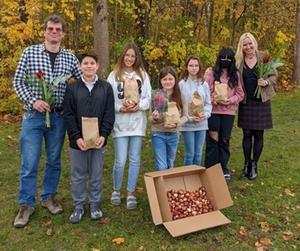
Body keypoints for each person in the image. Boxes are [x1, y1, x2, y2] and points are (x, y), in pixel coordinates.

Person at [13, 15, 82, 228]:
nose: (54, 32)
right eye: (50, 28)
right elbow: (18, 81)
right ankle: (26, 205)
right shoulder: (30, 53)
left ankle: (48, 197)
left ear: (62, 33)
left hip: (58, 117)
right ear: (44, 31)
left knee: (54, 160)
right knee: (30, 161)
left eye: (58, 29)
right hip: (33, 117)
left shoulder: (70, 58)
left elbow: (83, 81)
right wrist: (33, 101)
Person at [63, 52, 115, 223]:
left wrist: (104, 134)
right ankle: (78, 206)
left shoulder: (106, 88)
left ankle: (94, 204)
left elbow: (109, 114)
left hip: (99, 140)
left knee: (96, 173)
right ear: (79, 66)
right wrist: (76, 136)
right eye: (85, 63)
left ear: (97, 66)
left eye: (92, 63)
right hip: (77, 141)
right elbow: (69, 115)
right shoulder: (72, 89)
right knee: (77, 174)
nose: (89, 66)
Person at [107, 43, 151, 210]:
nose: (129, 58)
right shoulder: (114, 76)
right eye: (127, 55)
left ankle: (130, 192)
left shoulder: (143, 76)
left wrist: (138, 106)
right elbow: (108, 100)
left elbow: (148, 98)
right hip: (120, 123)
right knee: (120, 160)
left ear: (137, 57)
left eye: (133, 56)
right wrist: (121, 108)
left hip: (137, 123)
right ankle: (116, 190)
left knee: (134, 159)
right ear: (122, 56)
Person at [235, 33, 277, 180]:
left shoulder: (264, 57)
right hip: (246, 102)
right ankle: (246, 164)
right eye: (245, 45)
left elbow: (274, 76)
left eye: (250, 43)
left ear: (254, 43)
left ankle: (254, 165)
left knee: (259, 134)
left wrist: (265, 83)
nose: (248, 47)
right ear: (242, 46)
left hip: (261, 101)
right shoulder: (239, 60)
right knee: (246, 134)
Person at [204, 48, 244, 181]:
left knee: (224, 140)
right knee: (213, 139)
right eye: (223, 58)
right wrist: (212, 100)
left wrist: (230, 101)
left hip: (229, 112)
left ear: (232, 60)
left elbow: (240, 94)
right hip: (213, 111)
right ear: (219, 58)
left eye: (229, 58)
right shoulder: (211, 73)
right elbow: (204, 92)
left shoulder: (235, 75)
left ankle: (223, 168)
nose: (225, 61)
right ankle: (210, 168)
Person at [149, 66, 188, 171]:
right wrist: (155, 118)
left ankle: (169, 187)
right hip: (158, 134)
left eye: (170, 79)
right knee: (162, 166)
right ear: (160, 81)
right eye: (165, 79)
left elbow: (185, 116)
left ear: (175, 80)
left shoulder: (180, 95)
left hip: (173, 134)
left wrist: (177, 123)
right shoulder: (158, 95)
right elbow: (150, 118)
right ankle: (161, 186)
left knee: (170, 164)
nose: (168, 82)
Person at [179, 55, 212, 166]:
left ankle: (196, 178)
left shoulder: (204, 84)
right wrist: (189, 118)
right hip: (188, 124)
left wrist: (206, 114)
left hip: (201, 124)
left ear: (199, 67)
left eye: (196, 65)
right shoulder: (181, 85)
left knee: (198, 153)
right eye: (191, 65)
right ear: (186, 67)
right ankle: (187, 178)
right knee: (190, 154)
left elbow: (208, 103)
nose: (194, 68)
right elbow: (178, 106)